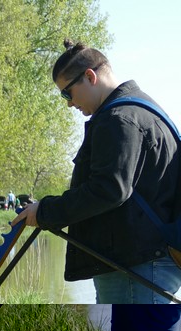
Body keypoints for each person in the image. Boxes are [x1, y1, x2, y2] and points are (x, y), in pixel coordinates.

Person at [16, 40, 181, 304]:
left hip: (136, 266)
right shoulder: (146, 109)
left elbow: (108, 190)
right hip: (148, 261)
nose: (69, 104)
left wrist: (45, 211)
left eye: (67, 93)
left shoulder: (117, 119)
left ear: (90, 76)